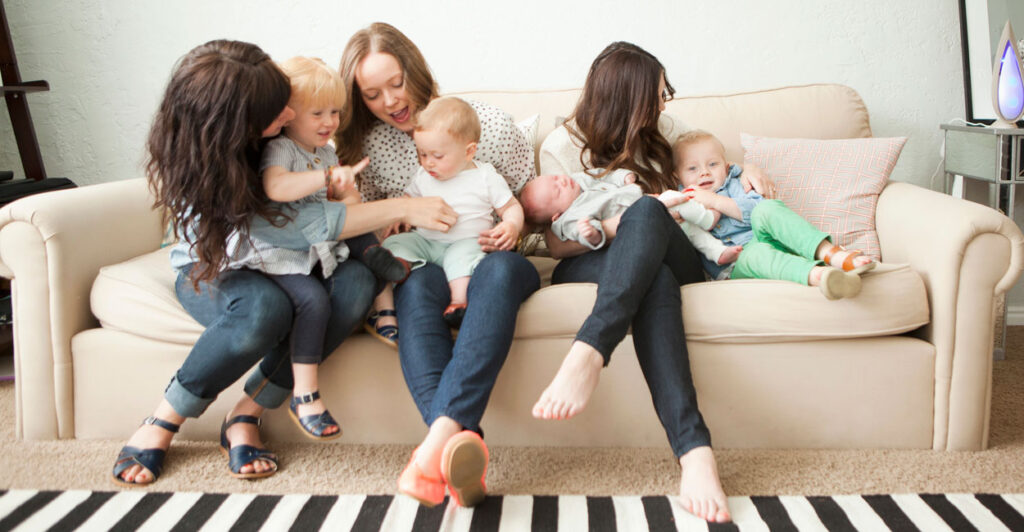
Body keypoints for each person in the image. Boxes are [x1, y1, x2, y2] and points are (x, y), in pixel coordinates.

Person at [112, 40, 455, 487]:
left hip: (291, 263)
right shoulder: (221, 160)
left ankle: (246, 413)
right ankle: (162, 420)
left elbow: (317, 219)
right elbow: (292, 228)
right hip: (220, 267)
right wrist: (402, 209)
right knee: (265, 309)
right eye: (279, 108)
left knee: (355, 281)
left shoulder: (286, 141)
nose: (291, 113)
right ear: (235, 122)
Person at [534, 41, 778, 524]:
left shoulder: (667, 129)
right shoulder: (560, 147)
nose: (666, 103)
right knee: (655, 278)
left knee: (648, 209)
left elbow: (715, 162)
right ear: (627, 99)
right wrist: (613, 229)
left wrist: (750, 167)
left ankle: (589, 351)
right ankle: (695, 454)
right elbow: (557, 245)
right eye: (658, 93)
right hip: (593, 257)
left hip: (679, 246)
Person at [336, 22, 538, 508]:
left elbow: (531, 203)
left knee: (498, 270)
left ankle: (433, 449)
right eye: (372, 94)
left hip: (495, 255)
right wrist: (404, 214)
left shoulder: (484, 123)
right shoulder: (375, 147)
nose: (389, 101)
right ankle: (457, 446)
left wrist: (510, 227)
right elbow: (370, 224)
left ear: (416, 70)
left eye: (396, 83)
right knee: (414, 285)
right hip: (427, 254)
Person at [672, 130, 875, 297]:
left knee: (766, 207)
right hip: (739, 263)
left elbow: (755, 211)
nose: (704, 172)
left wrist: (716, 201)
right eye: (692, 168)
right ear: (677, 176)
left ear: (727, 167)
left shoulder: (735, 184)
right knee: (758, 255)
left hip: (770, 239)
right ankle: (822, 276)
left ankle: (832, 254)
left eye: (713, 164)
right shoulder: (681, 202)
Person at [381, 97, 524, 327]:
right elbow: (407, 200)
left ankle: (459, 302)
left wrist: (511, 225)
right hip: (427, 242)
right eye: (423, 154)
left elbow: (511, 207)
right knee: (394, 244)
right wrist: (399, 217)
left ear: (469, 152)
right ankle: (401, 265)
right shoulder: (423, 174)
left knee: (461, 260)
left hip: (466, 242)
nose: (428, 163)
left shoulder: (484, 176)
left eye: (437, 156)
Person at [520, 170, 731, 265]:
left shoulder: (582, 181)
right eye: (557, 191)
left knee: (682, 211)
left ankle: (712, 234)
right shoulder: (571, 219)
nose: (562, 182)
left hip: (654, 210)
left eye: (556, 178)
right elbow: (563, 245)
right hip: (642, 218)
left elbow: (604, 174)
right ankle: (715, 242)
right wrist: (592, 234)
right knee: (676, 204)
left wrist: (623, 177)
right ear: (556, 215)